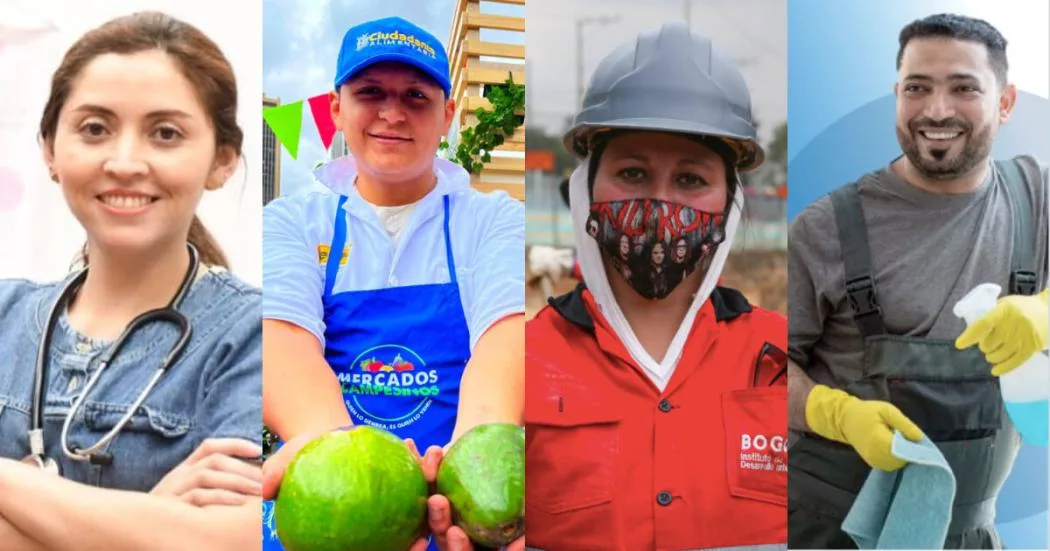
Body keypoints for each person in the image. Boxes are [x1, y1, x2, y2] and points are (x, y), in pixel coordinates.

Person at [260, 15, 525, 551]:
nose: (392, 112)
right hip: (328, 511)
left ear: (448, 115)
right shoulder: (291, 221)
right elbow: (282, 337)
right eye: (370, 92)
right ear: (337, 108)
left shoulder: (494, 219)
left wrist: (476, 469)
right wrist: (341, 463)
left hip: (460, 513)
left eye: (416, 97)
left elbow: (505, 335)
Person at [0, 11, 262, 550]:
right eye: (95, 129)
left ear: (223, 160)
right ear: (50, 148)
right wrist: (150, 520)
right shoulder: (4, 314)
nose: (124, 162)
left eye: (165, 134)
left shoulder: (253, 336)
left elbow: (225, 542)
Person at [787, 13, 1048, 549]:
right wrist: (832, 413)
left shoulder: (1037, 199)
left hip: (968, 535)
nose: (936, 109)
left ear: (1005, 102)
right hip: (829, 531)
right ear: (896, 95)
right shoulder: (827, 227)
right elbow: (754, 375)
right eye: (917, 88)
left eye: (963, 88)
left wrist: (1045, 310)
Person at [525, 21, 788, 551]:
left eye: (691, 179)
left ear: (728, 206)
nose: (660, 205)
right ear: (587, 189)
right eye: (633, 173)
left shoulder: (786, 358)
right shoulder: (526, 359)